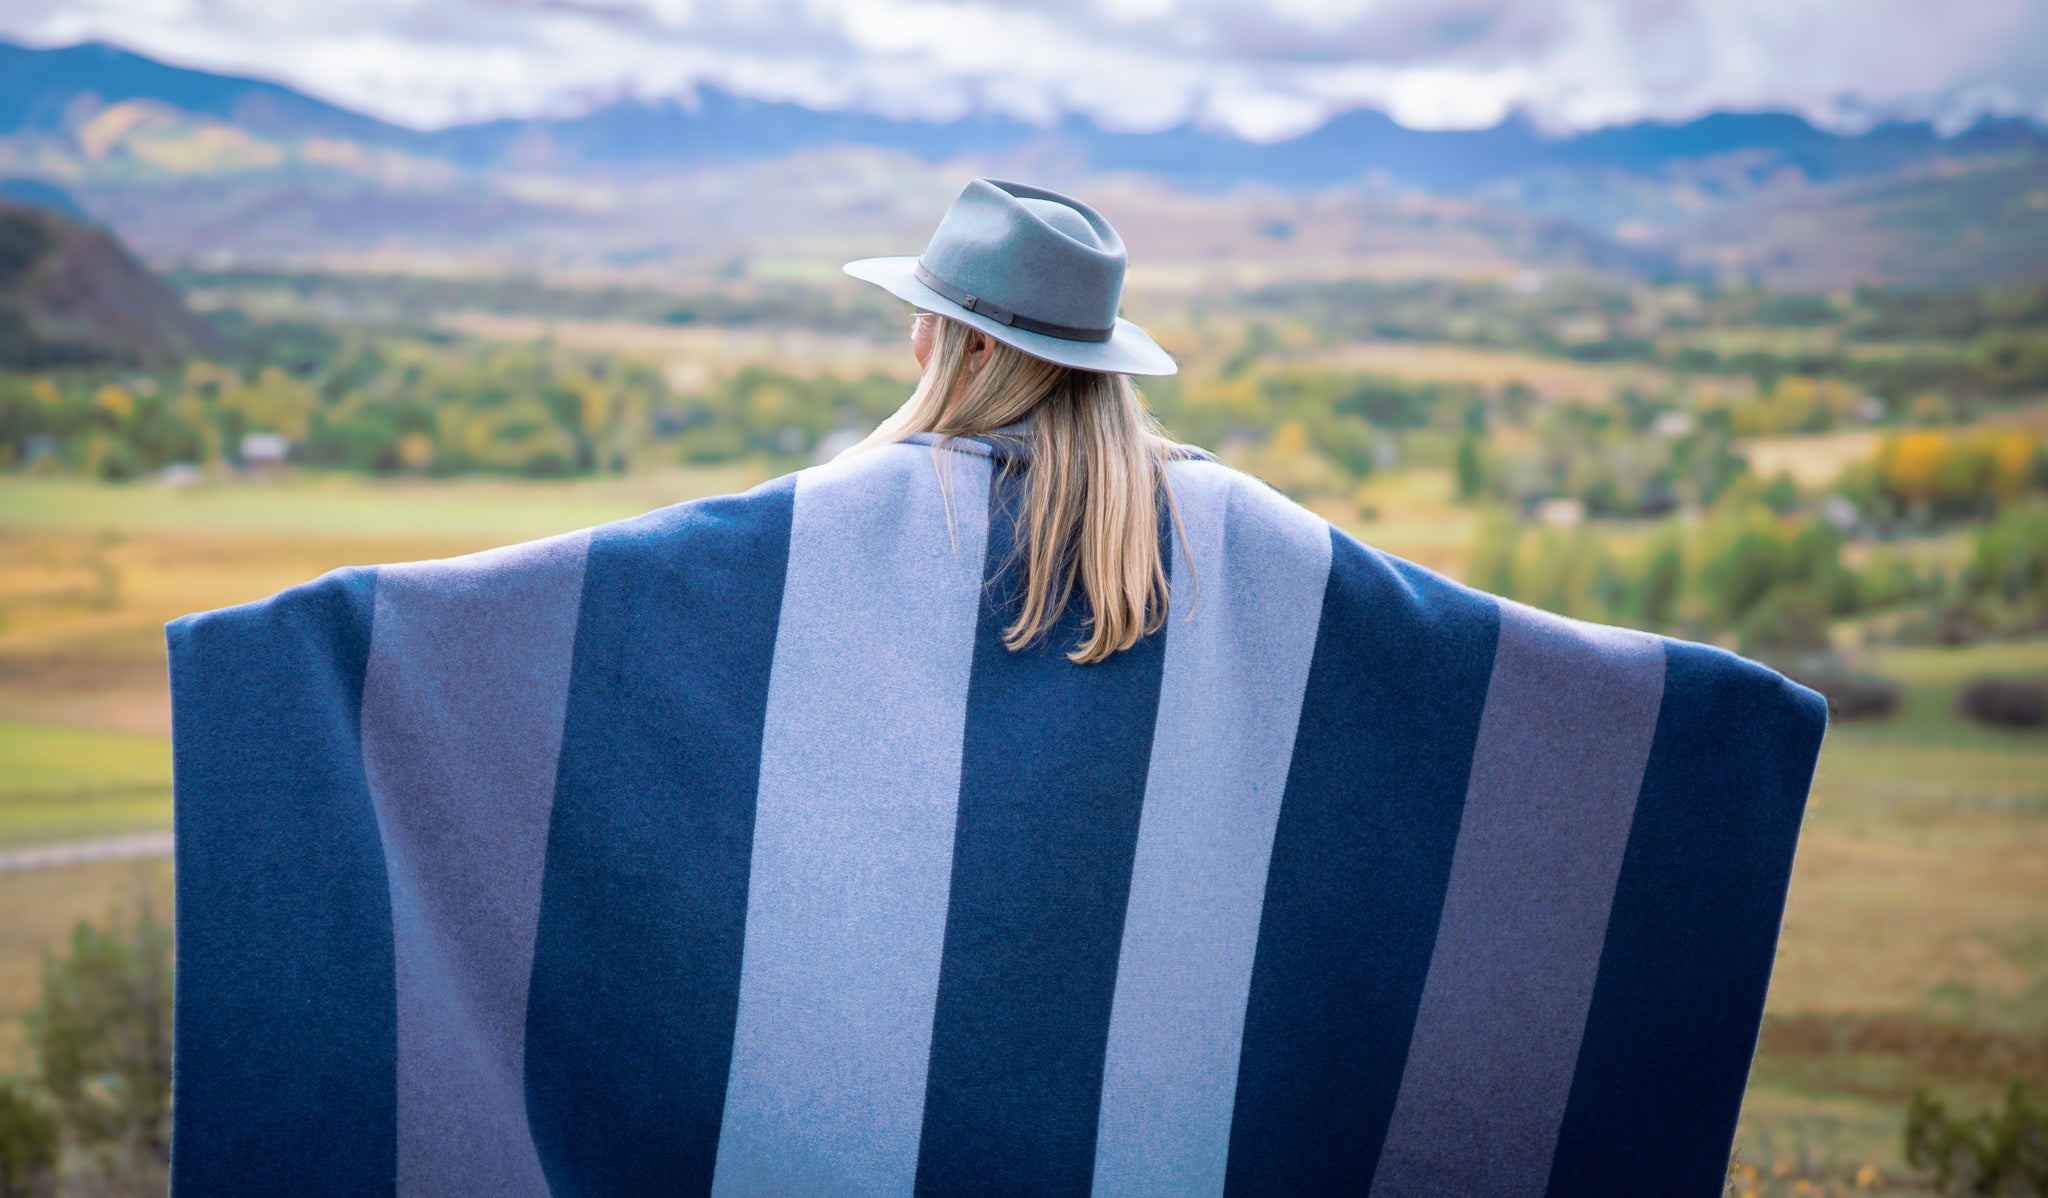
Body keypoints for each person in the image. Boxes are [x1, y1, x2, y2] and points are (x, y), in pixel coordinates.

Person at [166, 178, 1826, 1196]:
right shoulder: (1251, 549)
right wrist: (1725, 736)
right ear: (1100, 357)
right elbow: (1492, 692)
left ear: (937, 343)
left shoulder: (806, 538)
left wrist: (293, 667)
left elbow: (538, 630)